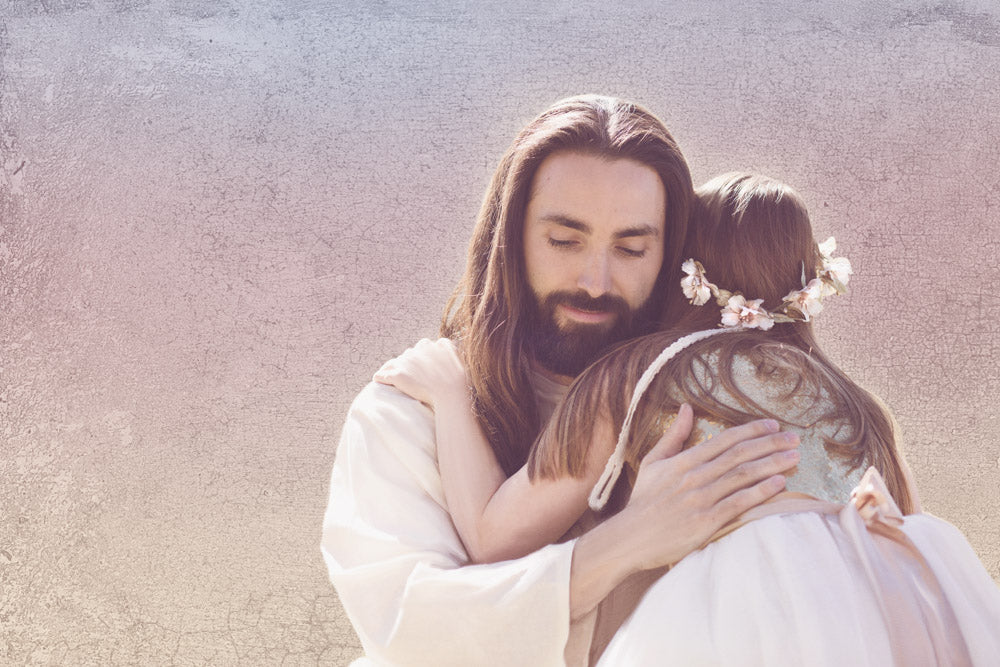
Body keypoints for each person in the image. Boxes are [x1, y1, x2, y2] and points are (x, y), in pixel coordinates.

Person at [378, 173, 1000, 665]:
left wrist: (451, 393)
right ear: (808, 277)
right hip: (876, 627)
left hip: (736, 624)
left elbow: (495, 539)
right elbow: (901, 531)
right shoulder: (861, 409)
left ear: (685, 269)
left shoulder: (643, 376)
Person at [321, 97, 801, 666]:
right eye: (565, 241)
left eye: (631, 249)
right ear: (509, 239)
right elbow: (413, 632)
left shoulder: (716, 418)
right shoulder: (408, 407)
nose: (595, 281)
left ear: (672, 258)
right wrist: (629, 541)